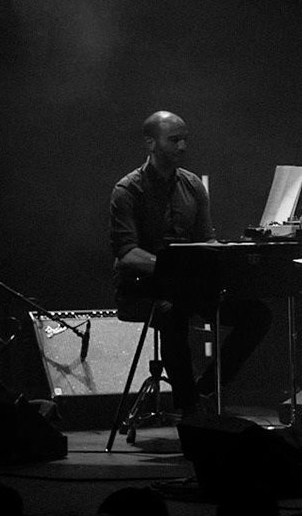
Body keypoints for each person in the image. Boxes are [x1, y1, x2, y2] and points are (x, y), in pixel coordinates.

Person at [109, 111, 272, 417]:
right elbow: (127, 253)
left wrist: (229, 257)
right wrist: (177, 271)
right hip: (141, 288)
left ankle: (207, 387)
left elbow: (206, 240)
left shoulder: (193, 184)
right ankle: (189, 406)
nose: (182, 146)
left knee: (257, 315)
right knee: (173, 313)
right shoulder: (128, 190)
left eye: (185, 139)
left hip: (188, 285)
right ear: (150, 143)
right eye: (174, 139)